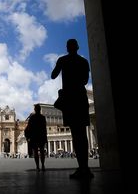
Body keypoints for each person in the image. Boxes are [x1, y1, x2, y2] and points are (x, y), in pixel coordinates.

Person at [51, 38, 94, 179]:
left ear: (67, 48)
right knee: (82, 132)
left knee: (76, 134)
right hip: (80, 97)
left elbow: (53, 75)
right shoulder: (84, 61)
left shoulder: (62, 60)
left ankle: (82, 168)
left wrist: (60, 66)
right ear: (78, 47)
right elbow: (85, 80)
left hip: (70, 99)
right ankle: (85, 168)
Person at [25, 104, 48, 172]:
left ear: (35, 109)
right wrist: (45, 137)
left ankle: (37, 167)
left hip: (34, 136)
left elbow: (29, 127)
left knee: (35, 152)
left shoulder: (32, 117)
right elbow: (44, 128)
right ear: (40, 109)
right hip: (41, 136)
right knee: (42, 151)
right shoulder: (43, 117)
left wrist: (27, 136)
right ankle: (43, 165)